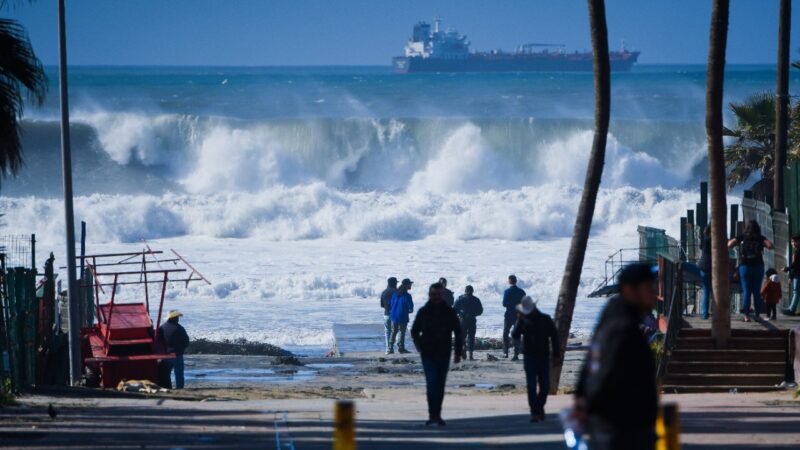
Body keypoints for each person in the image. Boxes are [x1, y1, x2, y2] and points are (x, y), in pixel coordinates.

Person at [573, 264, 659, 450]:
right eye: (649, 288)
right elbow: (605, 374)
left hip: (617, 428)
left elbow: (590, 362)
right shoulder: (623, 329)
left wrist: (582, 398)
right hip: (622, 430)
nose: (654, 294)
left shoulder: (613, 317)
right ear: (630, 290)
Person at [410, 282, 463, 426]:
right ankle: (432, 414)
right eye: (434, 294)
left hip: (444, 352)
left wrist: (458, 352)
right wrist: (419, 346)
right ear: (429, 295)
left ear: (443, 295)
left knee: (440, 385)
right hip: (428, 353)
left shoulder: (449, 312)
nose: (436, 297)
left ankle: (437, 414)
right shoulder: (423, 311)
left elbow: (458, 333)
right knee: (431, 383)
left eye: (439, 294)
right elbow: (414, 331)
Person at [511, 295, 559, 423]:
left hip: (543, 357)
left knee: (545, 387)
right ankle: (535, 412)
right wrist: (518, 321)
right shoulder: (523, 320)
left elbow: (554, 337)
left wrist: (556, 355)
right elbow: (514, 335)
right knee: (531, 386)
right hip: (529, 357)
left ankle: (538, 408)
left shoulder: (545, 319)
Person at [728, 220, 774, 322]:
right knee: (756, 292)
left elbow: (729, 244)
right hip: (758, 267)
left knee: (746, 291)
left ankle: (746, 316)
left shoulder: (743, 236)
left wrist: (738, 241)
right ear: (757, 228)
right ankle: (757, 314)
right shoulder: (760, 238)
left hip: (745, 267)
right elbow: (770, 246)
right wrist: (763, 241)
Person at [157, 310, 190, 389]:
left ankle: (167, 387)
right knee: (179, 374)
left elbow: (158, 341)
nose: (178, 319)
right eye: (177, 317)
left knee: (166, 374)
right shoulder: (179, 328)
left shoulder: (162, 327)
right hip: (177, 354)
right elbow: (186, 341)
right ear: (174, 318)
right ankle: (179, 389)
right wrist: (182, 349)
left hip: (166, 355)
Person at [453, 285, 483, 360]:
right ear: (472, 291)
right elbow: (480, 311)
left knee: (462, 337)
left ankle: (463, 349)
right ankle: (470, 354)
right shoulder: (476, 299)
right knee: (471, 337)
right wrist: (474, 314)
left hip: (462, 320)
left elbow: (454, 309)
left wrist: (459, 314)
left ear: (465, 291)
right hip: (472, 320)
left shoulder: (460, 298)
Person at [502, 275, 526, 360]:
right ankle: (516, 354)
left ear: (509, 281)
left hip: (509, 314)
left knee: (505, 333)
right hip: (518, 315)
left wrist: (510, 304)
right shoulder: (522, 292)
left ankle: (506, 352)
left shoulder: (507, 292)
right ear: (516, 281)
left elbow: (504, 304)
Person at [389, 278, 414, 354]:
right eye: (410, 284)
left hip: (393, 316)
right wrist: (409, 310)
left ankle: (390, 348)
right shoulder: (407, 296)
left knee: (394, 332)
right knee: (402, 332)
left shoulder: (395, 294)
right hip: (402, 316)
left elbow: (390, 304)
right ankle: (401, 348)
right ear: (406, 285)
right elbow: (411, 308)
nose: (411, 285)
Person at [696, 224, 714, 320]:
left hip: (704, 266)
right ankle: (717, 312)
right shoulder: (716, 239)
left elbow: (700, 247)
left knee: (706, 290)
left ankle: (705, 313)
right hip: (714, 267)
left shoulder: (705, 240)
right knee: (715, 291)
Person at [380, 277, 399, 354]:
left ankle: (389, 349)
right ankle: (398, 347)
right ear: (394, 283)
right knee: (396, 331)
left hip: (386, 314)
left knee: (388, 331)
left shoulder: (384, 292)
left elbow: (382, 305)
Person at [783, 234, 800, 315]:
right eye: (792, 242)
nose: (793, 244)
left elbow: (795, 265)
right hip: (797, 274)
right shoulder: (797, 251)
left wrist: (787, 270)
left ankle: (791, 309)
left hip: (798, 274)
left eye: (794, 241)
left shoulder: (798, 251)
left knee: (796, 291)